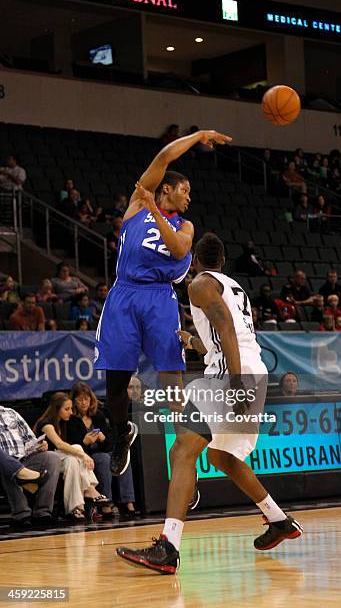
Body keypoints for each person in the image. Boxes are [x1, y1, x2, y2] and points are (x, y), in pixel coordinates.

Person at [116, 233, 302, 573]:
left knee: (182, 450)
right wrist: (191, 341)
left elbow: (227, 330)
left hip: (232, 374)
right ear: (224, 262)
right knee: (221, 456)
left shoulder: (199, 284)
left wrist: (235, 383)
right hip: (250, 369)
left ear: (196, 262)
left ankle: (168, 548)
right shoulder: (233, 287)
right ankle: (279, 521)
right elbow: (224, 338)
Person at [94, 128, 232, 481]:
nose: (189, 196)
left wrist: (157, 210)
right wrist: (198, 134)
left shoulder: (185, 225)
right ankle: (122, 433)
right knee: (115, 383)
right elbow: (164, 157)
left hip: (159, 299)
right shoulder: (139, 203)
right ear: (165, 188)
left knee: (173, 385)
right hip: (124, 294)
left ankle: (184, 465)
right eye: (184, 190)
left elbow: (180, 250)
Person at [35, 392, 111, 521]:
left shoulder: (66, 423)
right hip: (47, 462)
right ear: (56, 409)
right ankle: (90, 488)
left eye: (70, 408)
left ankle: (75, 508)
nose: (70, 412)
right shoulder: (46, 424)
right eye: (66, 409)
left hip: (63, 462)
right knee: (77, 448)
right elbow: (59, 445)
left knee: (72, 461)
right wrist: (83, 455)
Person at [68, 382, 135, 518]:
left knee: (122, 457)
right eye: (80, 399)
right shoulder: (71, 420)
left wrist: (103, 439)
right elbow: (72, 445)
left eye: (86, 399)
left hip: (102, 450)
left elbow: (109, 445)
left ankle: (128, 501)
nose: (83, 403)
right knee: (104, 459)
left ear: (91, 399)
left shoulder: (98, 416)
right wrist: (84, 442)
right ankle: (106, 504)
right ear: (74, 401)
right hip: (87, 455)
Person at [0, 406, 60, 528]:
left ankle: (42, 512)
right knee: (4, 463)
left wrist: (39, 445)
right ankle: (21, 514)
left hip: (24, 459)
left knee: (52, 457)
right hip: (3, 461)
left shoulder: (10, 412)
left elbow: (30, 438)